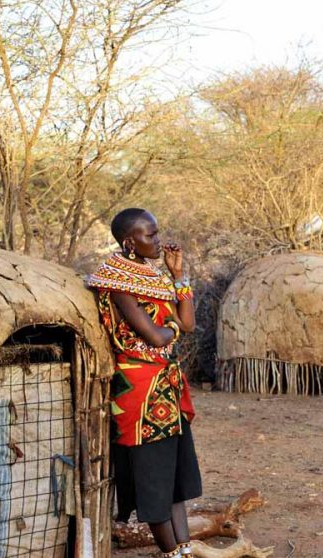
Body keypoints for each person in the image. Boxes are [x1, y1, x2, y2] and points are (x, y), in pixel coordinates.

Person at [85, 208, 202, 558]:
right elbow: (155, 335)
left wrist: (178, 275)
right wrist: (173, 332)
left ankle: (183, 550)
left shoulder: (150, 275)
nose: (157, 239)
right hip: (139, 392)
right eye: (149, 235)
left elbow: (187, 323)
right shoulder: (117, 280)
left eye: (156, 231)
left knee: (174, 482)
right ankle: (172, 554)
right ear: (128, 241)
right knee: (153, 482)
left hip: (165, 385)